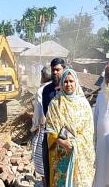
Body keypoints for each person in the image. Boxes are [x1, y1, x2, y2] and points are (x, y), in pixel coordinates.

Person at [45, 69, 95, 187]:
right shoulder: (55, 103)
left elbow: (89, 130)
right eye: (66, 81)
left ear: (76, 82)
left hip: (80, 153)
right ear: (62, 83)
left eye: (71, 81)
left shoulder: (84, 104)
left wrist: (75, 143)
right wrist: (62, 142)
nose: (68, 84)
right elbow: (50, 128)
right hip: (61, 152)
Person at [42, 58, 66, 187]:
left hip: (67, 137)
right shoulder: (46, 91)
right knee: (49, 167)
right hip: (51, 135)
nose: (55, 72)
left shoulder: (69, 88)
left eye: (58, 69)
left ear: (64, 69)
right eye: (53, 70)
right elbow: (47, 113)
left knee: (64, 170)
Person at [31, 67, 52, 185]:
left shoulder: (41, 90)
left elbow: (38, 116)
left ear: (43, 76)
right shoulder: (58, 87)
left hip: (45, 131)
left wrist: (33, 129)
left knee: (43, 165)